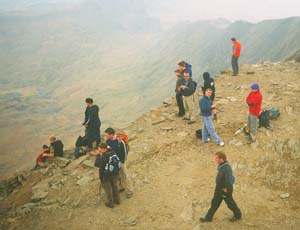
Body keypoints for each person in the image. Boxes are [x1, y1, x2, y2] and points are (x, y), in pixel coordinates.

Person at [200, 152, 241, 222]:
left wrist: (226, 189)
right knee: (214, 203)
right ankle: (208, 218)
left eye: (216, 158)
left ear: (221, 159)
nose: (215, 159)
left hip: (225, 190)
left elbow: (228, 180)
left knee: (230, 203)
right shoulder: (222, 165)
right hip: (219, 188)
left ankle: (238, 215)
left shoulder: (226, 168)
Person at [105, 128, 133, 198]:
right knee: (118, 175)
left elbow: (125, 153)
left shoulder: (120, 141)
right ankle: (121, 187)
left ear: (111, 135)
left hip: (121, 161)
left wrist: (122, 162)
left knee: (124, 175)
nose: (105, 136)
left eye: (106, 135)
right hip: (114, 161)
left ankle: (129, 191)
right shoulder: (108, 141)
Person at [94, 143, 120, 208]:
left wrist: (98, 155)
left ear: (104, 149)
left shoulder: (104, 156)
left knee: (108, 189)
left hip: (106, 175)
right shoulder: (112, 151)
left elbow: (96, 164)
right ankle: (117, 200)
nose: (98, 151)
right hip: (114, 173)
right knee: (115, 186)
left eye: (100, 150)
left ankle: (110, 203)